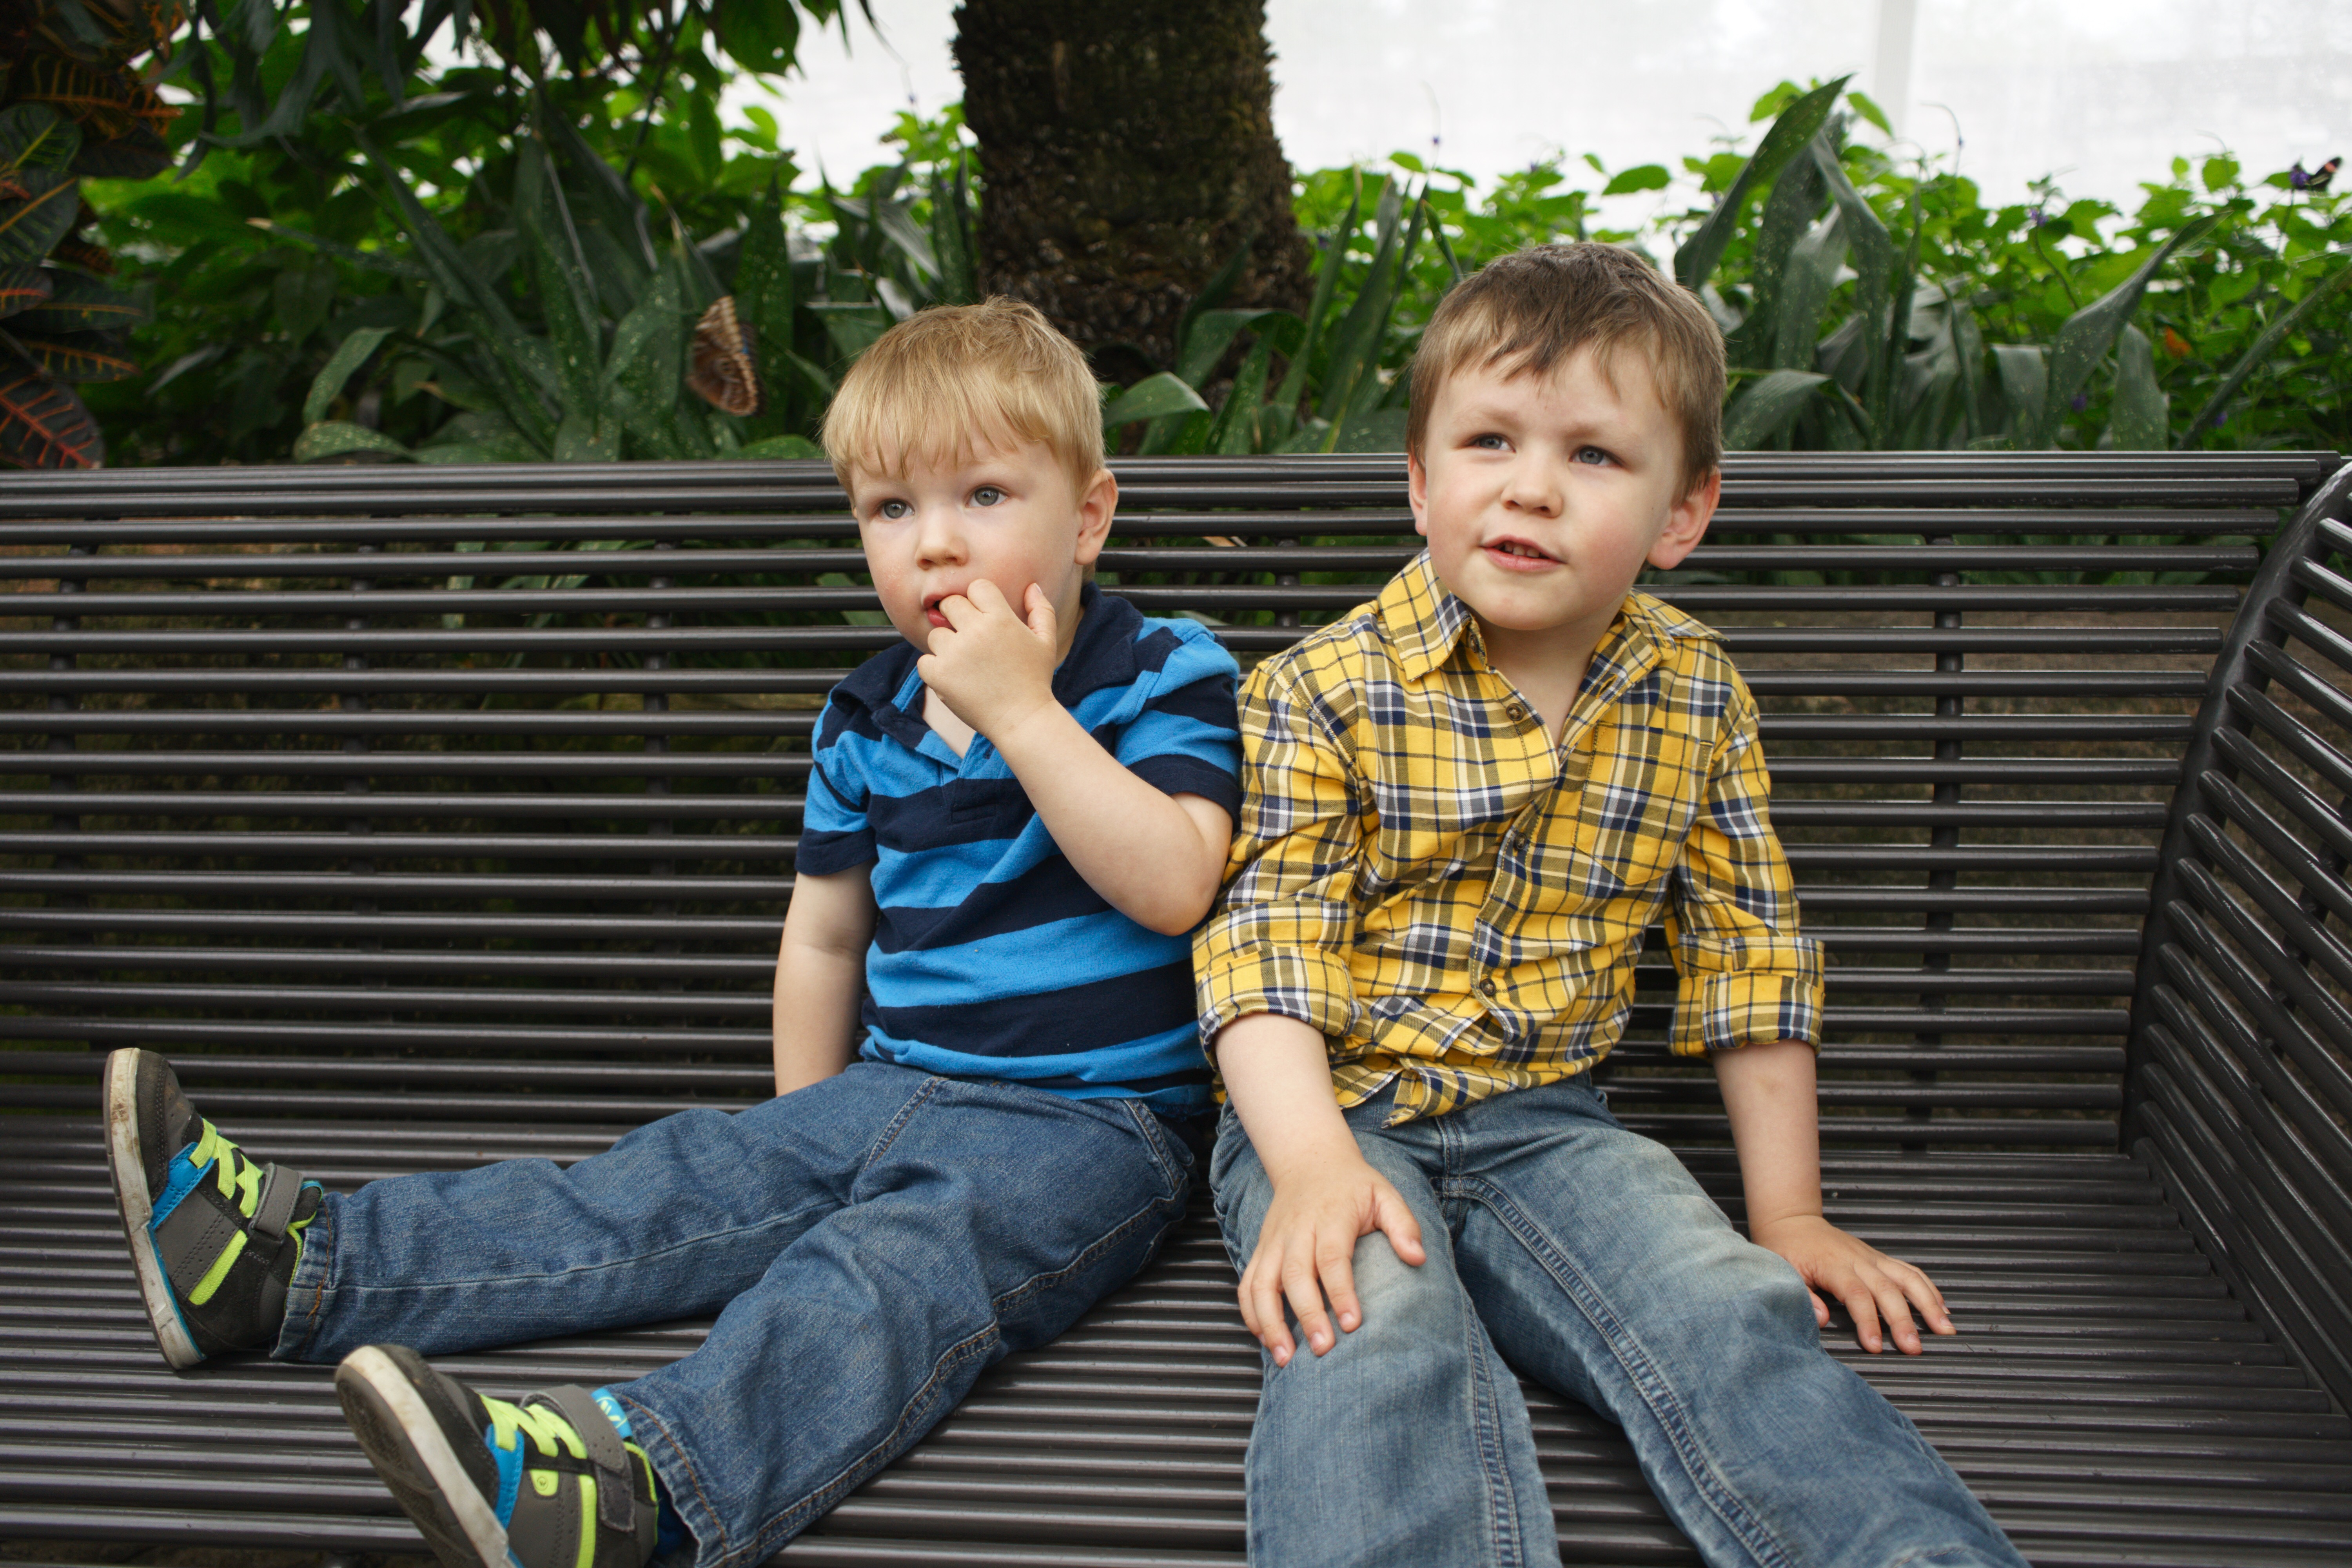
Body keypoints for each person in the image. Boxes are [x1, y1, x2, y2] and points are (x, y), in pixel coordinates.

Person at [102, 298, 1242, 1568]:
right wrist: (800, 1139)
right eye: (890, 509)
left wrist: (1024, 712)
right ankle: (286, 1273)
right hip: (886, 1087)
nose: (933, 544)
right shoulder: (865, 718)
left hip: (1091, 1125)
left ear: (1088, 516)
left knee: (896, 1270)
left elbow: (1175, 884)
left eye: (983, 495)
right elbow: (825, 940)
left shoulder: (1162, 670)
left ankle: (643, 1492)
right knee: (663, 1182)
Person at [1194, 243, 2028, 1568]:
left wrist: (1789, 1220)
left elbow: (1748, 951)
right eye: (1489, 441)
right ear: (1420, 481)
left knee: (1722, 1309)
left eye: (1593, 454)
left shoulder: (1695, 692)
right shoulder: (1320, 689)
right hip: (1334, 1117)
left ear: (1681, 514)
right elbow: (1263, 949)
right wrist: (1309, 1171)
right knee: (1373, 1333)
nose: (1530, 486)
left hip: (1553, 1126)